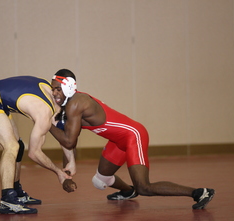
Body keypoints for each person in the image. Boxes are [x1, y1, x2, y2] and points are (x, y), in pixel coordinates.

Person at [49, 69, 215, 209]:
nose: (55, 94)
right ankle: (128, 191)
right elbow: (69, 141)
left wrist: (47, 124)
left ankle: (199, 192)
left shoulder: (77, 104)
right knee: (100, 181)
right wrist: (67, 175)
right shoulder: (68, 106)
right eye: (53, 90)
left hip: (133, 135)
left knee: (144, 187)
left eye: (58, 89)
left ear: (69, 87)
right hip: (117, 141)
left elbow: (69, 141)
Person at [0, 75, 76, 214]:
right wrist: (58, 172)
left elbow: (63, 139)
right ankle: (7, 200)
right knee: (11, 146)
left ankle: (16, 192)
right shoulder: (44, 115)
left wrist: (71, 161)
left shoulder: (50, 90)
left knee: (19, 146)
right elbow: (34, 153)